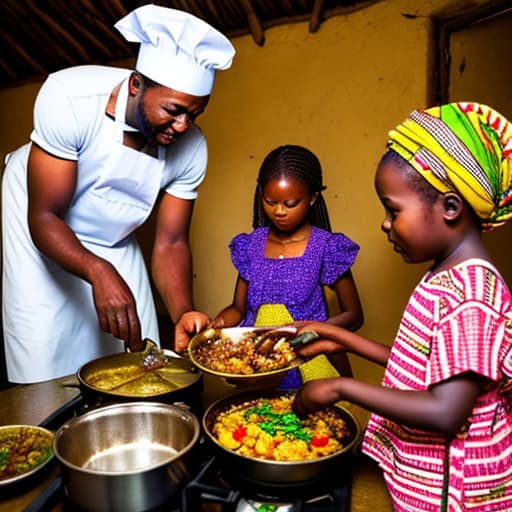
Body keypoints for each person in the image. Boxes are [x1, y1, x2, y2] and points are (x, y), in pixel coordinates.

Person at [292, 102, 512, 511]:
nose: (385, 223)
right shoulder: (445, 276)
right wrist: (338, 337)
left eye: (393, 210)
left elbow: (446, 410)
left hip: (453, 496)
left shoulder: (471, 297)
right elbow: (427, 369)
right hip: (425, 482)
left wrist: (341, 387)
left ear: (450, 207)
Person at [1, 5, 235, 383]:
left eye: (195, 114)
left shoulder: (192, 147)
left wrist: (183, 312)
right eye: (173, 111)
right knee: (45, 358)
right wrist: (97, 269)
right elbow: (44, 216)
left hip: (115, 236)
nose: (182, 126)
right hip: (42, 224)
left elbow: (171, 241)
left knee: (141, 363)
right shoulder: (70, 98)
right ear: (135, 85)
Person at [209, 144, 364, 387]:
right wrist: (215, 325)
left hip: (309, 364)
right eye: (270, 201)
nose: (279, 211)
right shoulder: (251, 246)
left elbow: (354, 316)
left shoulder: (326, 247)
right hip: (259, 368)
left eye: (291, 203)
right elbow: (238, 308)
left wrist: (311, 331)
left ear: (312, 198)